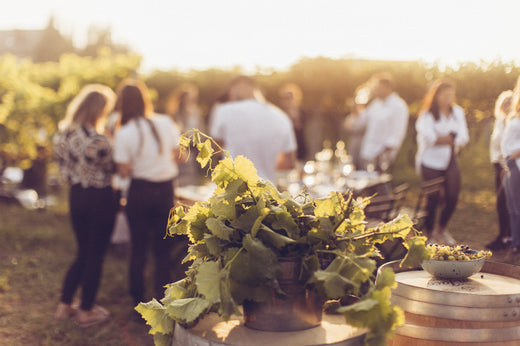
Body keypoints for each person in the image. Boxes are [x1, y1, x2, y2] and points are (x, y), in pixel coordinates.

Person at [112, 80, 185, 306]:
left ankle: (137, 300)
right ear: (145, 99)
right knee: (163, 250)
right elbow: (180, 156)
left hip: (139, 191)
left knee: (139, 248)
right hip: (165, 190)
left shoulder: (124, 131)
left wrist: (140, 163)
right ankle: (163, 300)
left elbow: (123, 170)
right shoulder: (166, 122)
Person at [54, 84, 117, 326]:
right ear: (98, 110)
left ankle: (64, 305)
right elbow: (113, 168)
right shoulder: (98, 139)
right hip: (99, 198)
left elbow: (63, 170)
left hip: (76, 196)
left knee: (82, 251)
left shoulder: (62, 135)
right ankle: (87, 310)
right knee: (95, 255)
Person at [209, 75, 297, 183]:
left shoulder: (224, 110)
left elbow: (215, 149)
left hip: (233, 192)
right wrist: (264, 165)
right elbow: (289, 163)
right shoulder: (281, 117)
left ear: (237, 88)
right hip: (267, 192)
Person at [415, 79, 469, 245]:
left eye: (451, 94)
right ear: (436, 95)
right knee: (432, 198)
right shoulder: (427, 115)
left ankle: (441, 229)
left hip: (451, 159)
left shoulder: (457, 112)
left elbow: (464, 137)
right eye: (445, 94)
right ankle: (429, 235)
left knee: (452, 196)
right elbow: (430, 139)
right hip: (430, 161)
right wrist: (451, 137)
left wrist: (444, 139)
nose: (448, 97)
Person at [344, 73, 409, 172]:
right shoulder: (375, 104)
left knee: (381, 185)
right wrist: (355, 110)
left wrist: (381, 155)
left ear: (386, 87)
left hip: (382, 159)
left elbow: (397, 134)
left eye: (376, 87)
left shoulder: (399, 106)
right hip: (367, 154)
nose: (374, 90)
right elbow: (361, 121)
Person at [487, 90, 513, 250]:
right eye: (504, 102)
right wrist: (496, 164)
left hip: (508, 167)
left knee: (505, 202)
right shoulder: (499, 121)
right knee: (501, 203)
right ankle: (504, 235)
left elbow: (510, 147)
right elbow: (494, 146)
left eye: (510, 102)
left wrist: (506, 166)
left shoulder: (514, 123)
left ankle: (508, 237)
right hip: (498, 166)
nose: (507, 105)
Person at [502, 81, 520, 258]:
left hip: (517, 163)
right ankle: (516, 242)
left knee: (518, 206)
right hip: (509, 164)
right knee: (512, 206)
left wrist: (516, 154)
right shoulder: (514, 115)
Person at [278, 83, 308, 162]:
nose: (287, 100)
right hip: (285, 153)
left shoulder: (302, 112)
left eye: (289, 97)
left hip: (300, 152)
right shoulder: (279, 114)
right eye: (284, 98)